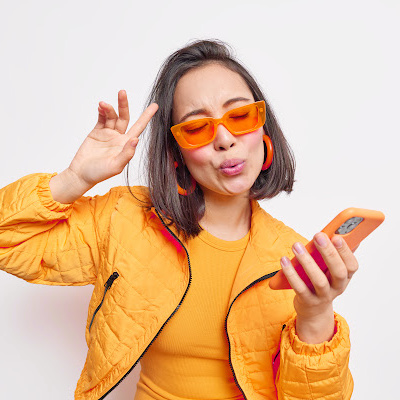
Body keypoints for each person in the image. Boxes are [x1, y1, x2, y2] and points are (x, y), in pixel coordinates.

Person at [0, 39, 357, 400]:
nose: (224, 139)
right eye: (196, 127)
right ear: (176, 154)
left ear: (264, 131)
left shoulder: (291, 259)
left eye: (240, 116)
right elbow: (7, 240)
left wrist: (315, 315)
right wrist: (75, 178)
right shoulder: (126, 220)